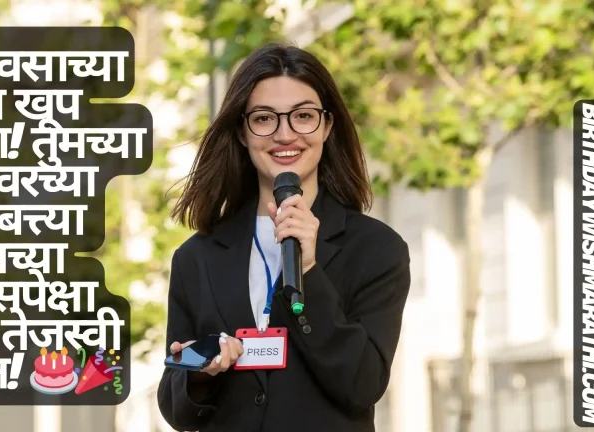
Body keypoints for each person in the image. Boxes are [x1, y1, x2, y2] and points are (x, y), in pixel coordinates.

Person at [157, 43, 411, 432]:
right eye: (264, 118)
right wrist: (197, 372)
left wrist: (308, 270)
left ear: (327, 126)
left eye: (303, 116)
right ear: (243, 132)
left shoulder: (376, 249)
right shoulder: (198, 256)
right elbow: (176, 407)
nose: (285, 134)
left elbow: (363, 383)